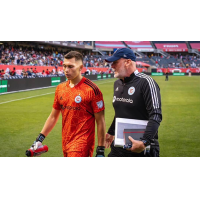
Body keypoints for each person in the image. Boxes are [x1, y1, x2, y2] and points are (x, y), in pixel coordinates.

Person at [28, 51, 106, 157]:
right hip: (65, 142)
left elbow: (100, 121)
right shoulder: (60, 88)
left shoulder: (92, 89)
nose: (66, 70)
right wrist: (39, 140)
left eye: (70, 66)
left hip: (82, 144)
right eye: (64, 66)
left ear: (81, 67)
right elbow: (53, 117)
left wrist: (100, 150)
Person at [104, 48, 162, 157]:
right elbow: (121, 112)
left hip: (142, 148)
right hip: (119, 146)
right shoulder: (117, 84)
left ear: (127, 62)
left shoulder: (146, 82)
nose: (112, 66)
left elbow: (156, 115)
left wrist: (144, 142)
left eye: (115, 62)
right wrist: (111, 132)